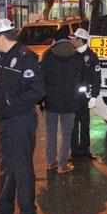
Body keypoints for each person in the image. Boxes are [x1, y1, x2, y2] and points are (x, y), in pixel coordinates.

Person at [0, 19, 45, 214]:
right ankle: (5, 208)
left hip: (21, 120)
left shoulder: (26, 57)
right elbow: (8, 87)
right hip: (6, 121)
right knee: (6, 166)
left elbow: (37, 90)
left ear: (1, 37)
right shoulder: (5, 58)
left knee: (22, 168)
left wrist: (10, 102)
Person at [41, 28, 84, 173]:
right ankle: (62, 164)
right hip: (70, 100)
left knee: (51, 132)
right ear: (68, 39)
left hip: (51, 100)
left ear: (55, 40)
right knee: (67, 133)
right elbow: (81, 78)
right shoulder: (77, 56)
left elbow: (42, 79)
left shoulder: (48, 55)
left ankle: (50, 161)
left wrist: (43, 99)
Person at [69, 28, 101, 159]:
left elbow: (97, 77)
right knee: (73, 124)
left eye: (74, 38)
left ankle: (85, 149)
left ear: (80, 40)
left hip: (84, 97)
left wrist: (94, 95)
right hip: (72, 96)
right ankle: (74, 150)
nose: (71, 40)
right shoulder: (71, 54)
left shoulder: (91, 56)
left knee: (85, 123)